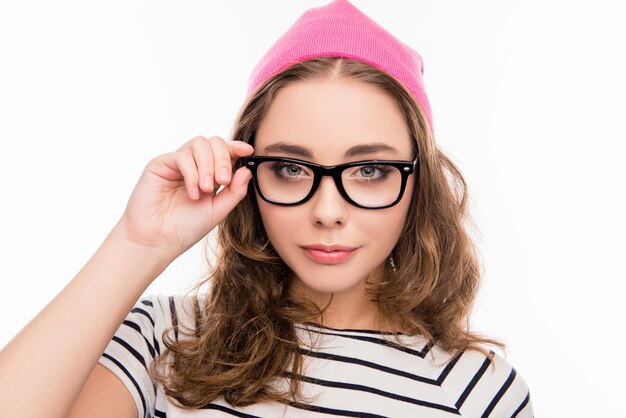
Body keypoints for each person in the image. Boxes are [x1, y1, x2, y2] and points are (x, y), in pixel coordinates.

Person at [0, 0, 534, 417]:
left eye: (369, 171)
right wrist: (138, 244)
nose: (328, 211)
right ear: (248, 175)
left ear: (419, 184)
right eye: (292, 168)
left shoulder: (477, 392)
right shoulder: (166, 342)